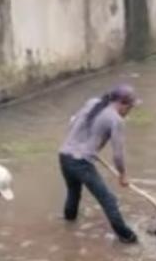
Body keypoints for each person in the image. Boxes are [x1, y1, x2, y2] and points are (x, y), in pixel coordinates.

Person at [59, 85, 141, 244]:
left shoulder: (93, 103)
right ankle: (128, 238)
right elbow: (117, 155)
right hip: (81, 162)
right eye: (130, 108)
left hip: (64, 155)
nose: (129, 111)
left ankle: (68, 225)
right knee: (109, 200)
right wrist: (123, 175)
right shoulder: (115, 120)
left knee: (73, 192)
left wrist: (87, 145)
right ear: (122, 104)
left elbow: (73, 122)